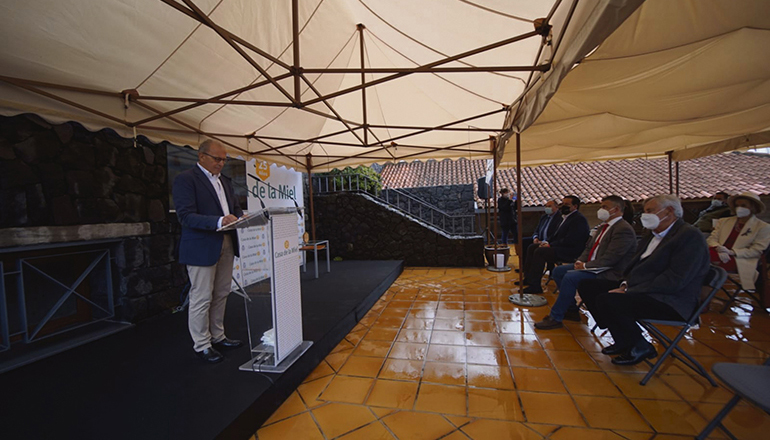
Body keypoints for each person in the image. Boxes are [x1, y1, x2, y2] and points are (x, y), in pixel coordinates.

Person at [577, 195, 710, 366]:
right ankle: (622, 338)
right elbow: (635, 267)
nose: (644, 215)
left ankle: (640, 346)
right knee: (588, 286)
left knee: (610, 300)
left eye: (650, 211)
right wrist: (625, 284)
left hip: (670, 299)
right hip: (643, 289)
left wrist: (629, 290)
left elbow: (674, 280)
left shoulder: (689, 237)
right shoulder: (652, 234)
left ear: (669, 212)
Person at [173, 139, 244, 363]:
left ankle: (218, 335)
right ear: (201, 156)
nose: (221, 163)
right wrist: (219, 220)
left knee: (222, 292)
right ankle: (202, 344)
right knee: (202, 296)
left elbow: (234, 208)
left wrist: (242, 217)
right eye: (217, 159)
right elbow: (184, 215)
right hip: (201, 244)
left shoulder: (225, 181)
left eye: (224, 159)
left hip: (227, 241)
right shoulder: (185, 179)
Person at [534, 196, 637, 330]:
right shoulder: (604, 227)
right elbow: (589, 247)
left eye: (604, 207)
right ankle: (571, 309)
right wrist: (580, 261)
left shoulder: (623, 230)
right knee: (559, 271)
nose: (601, 210)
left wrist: (585, 266)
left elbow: (611, 258)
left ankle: (556, 317)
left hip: (609, 272)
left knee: (571, 278)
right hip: (592, 266)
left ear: (616, 209)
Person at [518, 195, 590, 294]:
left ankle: (535, 285)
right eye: (563, 203)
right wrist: (546, 242)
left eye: (567, 204)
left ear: (575, 206)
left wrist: (551, 245)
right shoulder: (565, 217)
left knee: (540, 252)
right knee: (532, 247)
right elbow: (555, 235)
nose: (563, 206)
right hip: (559, 247)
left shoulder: (578, 219)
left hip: (570, 251)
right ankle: (529, 278)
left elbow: (570, 240)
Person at [707, 191, 770, 290]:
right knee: (700, 255)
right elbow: (712, 238)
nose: (739, 208)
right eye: (737, 205)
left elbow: (756, 251)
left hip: (740, 259)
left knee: (706, 265)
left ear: (753, 207)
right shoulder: (724, 221)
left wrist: (732, 252)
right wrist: (719, 248)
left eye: (744, 205)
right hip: (717, 253)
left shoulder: (763, 227)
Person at [519, 200, 562, 269]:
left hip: (550, 242)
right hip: (539, 239)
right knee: (524, 242)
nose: (547, 208)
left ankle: (536, 270)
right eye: (546, 206)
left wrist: (545, 241)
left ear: (556, 207)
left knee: (533, 247)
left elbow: (556, 233)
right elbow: (537, 229)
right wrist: (535, 237)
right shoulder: (544, 217)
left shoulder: (560, 218)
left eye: (549, 206)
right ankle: (525, 267)